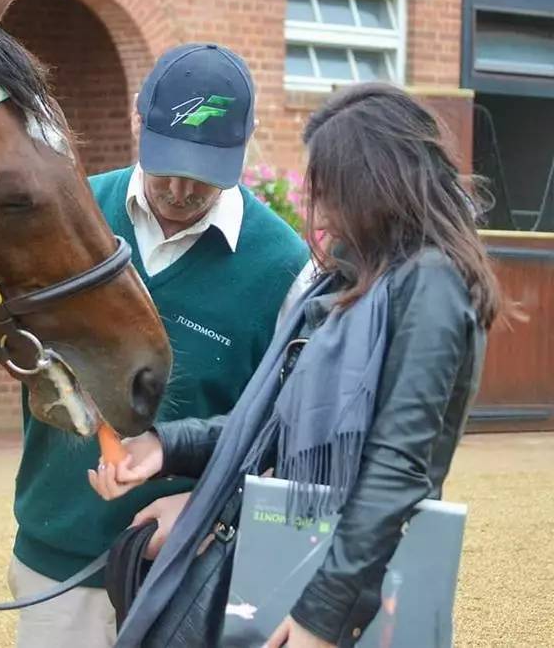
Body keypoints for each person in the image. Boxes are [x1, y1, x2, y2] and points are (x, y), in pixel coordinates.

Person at [0, 43, 310, 647]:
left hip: (193, 566)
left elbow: (300, 434)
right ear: (136, 121)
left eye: (203, 173)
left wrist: (210, 514)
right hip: (59, 560)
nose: (179, 189)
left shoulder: (285, 269)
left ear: (245, 144)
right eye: (167, 163)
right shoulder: (63, 211)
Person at [90, 82, 502, 648]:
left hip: (349, 583)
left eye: (331, 187)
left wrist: (321, 618)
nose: (319, 203)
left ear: (376, 186)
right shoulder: (352, 281)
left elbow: (397, 470)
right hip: (294, 553)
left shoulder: (430, 284)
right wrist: (167, 446)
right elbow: (276, 422)